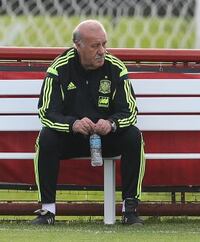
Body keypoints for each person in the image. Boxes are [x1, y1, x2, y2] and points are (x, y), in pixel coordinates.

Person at [31, 19, 145, 225]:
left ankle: (130, 209)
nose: (102, 50)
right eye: (95, 46)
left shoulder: (116, 67)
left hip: (106, 138)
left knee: (133, 136)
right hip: (72, 138)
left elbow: (130, 111)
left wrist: (110, 124)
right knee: (46, 138)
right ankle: (47, 211)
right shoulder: (59, 68)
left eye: (104, 44)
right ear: (78, 46)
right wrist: (72, 124)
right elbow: (46, 112)